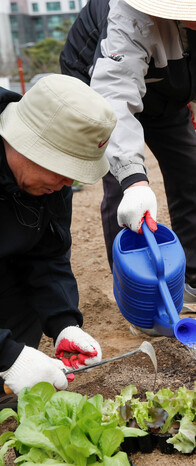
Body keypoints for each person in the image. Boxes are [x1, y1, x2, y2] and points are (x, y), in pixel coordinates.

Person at [60, 0, 196, 310]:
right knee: (122, 190)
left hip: (165, 85)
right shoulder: (130, 15)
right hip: (100, 81)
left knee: (193, 173)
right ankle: (138, 298)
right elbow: (115, 93)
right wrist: (134, 180)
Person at [0, 74, 115, 401]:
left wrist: (64, 322)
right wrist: (7, 354)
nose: (68, 182)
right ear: (28, 144)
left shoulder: (52, 184)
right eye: (63, 168)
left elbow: (48, 255)